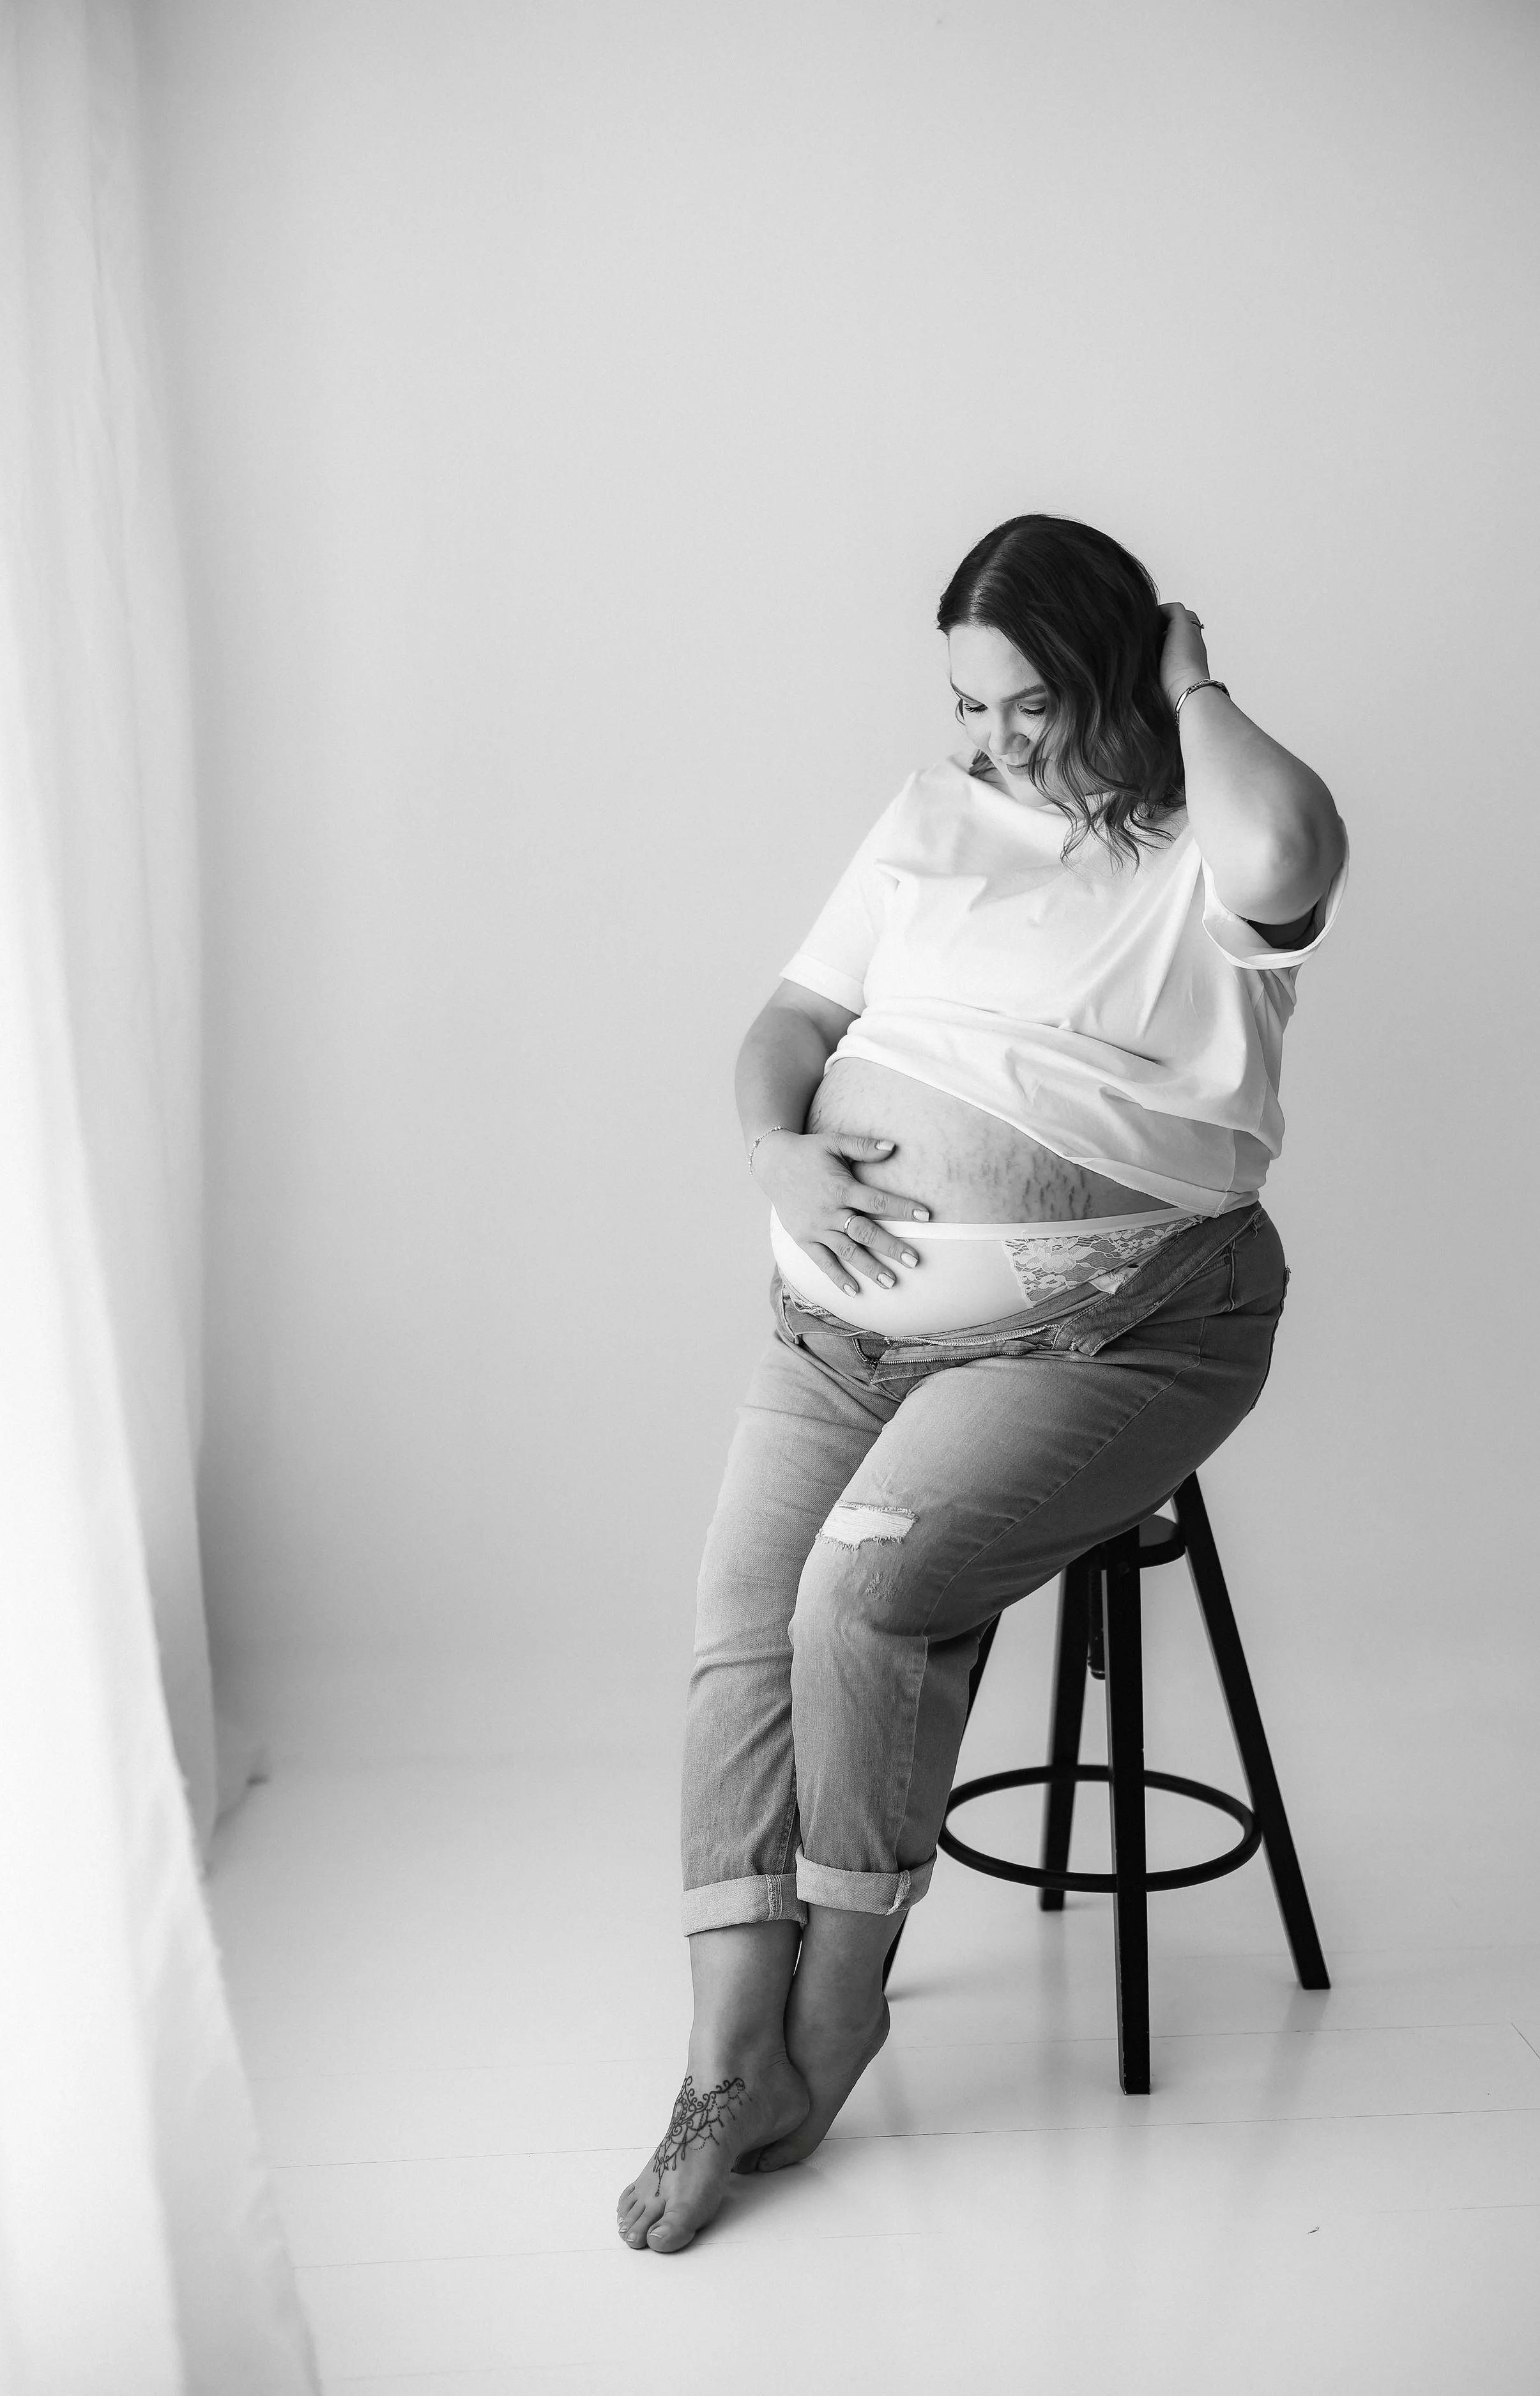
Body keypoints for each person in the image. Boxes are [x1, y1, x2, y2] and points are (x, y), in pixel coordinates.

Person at [617, 514, 1348, 2255]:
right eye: (965, 703)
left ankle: (835, 2011)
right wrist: (776, 1156)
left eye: (1021, 704)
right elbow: (785, 1025)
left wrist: (1194, 686)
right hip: (840, 1323)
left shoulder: (1201, 847)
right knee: (741, 1621)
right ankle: (727, 2055)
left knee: (860, 1591)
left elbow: (1289, 839)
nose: (983, 739)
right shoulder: (929, 817)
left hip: (1120, 1326)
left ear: (1113, 673)